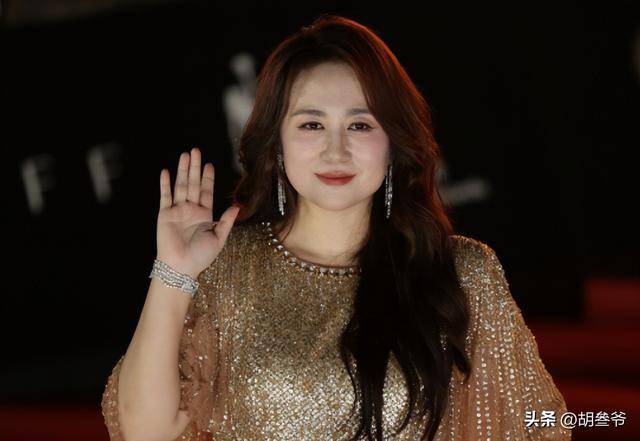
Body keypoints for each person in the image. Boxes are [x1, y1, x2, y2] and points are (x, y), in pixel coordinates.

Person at [101, 14, 571, 441]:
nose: (335, 151)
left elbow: (535, 425)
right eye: (311, 125)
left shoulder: (463, 272)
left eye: (360, 126)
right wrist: (173, 271)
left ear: (393, 142)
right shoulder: (224, 267)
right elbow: (143, 431)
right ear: (277, 142)